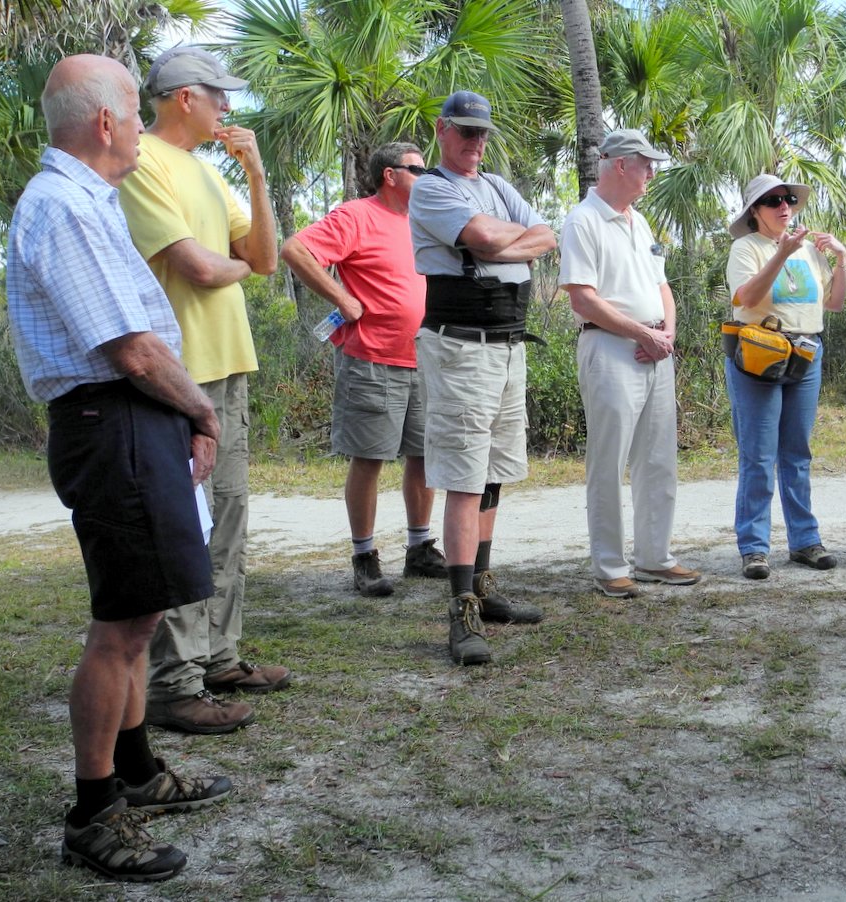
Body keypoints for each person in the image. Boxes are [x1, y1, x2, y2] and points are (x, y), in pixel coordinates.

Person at [6, 54, 233, 881]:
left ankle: (136, 772)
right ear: (106, 123)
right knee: (120, 626)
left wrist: (178, 416)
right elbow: (131, 347)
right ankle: (92, 812)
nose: (142, 128)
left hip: (130, 420)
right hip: (112, 422)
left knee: (138, 616)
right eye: (137, 114)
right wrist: (199, 409)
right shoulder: (63, 206)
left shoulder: (82, 202)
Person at [118, 46, 289, 734]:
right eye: (217, 93)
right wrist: (234, 264)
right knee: (185, 527)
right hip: (178, 375)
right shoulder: (141, 164)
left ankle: (220, 656)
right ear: (183, 96)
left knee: (230, 518)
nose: (228, 105)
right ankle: (175, 682)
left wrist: (253, 173)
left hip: (229, 367)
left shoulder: (211, 173)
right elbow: (198, 269)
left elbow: (265, 259)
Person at [408, 90, 554, 665]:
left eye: (483, 133)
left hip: (509, 345)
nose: (476, 143)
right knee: (465, 476)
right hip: (461, 348)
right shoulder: (431, 187)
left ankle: (484, 589)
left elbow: (547, 235)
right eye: (466, 132)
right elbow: (495, 241)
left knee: (493, 470)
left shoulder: (495, 187)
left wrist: (507, 239)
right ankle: (460, 609)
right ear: (442, 131)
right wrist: (507, 241)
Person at [280, 143, 447, 595]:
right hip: (372, 359)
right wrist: (341, 298)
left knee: (424, 456)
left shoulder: (425, 220)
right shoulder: (356, 216)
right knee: (370, 458)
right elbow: (295, 249)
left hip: (425, 359)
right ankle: (364, 556)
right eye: (418, 169)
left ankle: (419, 549)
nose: (426, 175)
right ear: (390, 175)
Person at [559, 129, 701, 598]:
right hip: (610, 349)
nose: (652, 173)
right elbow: (583, 299)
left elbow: (662, 287)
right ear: (620, 164)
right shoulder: (582, 221)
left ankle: (655, 557)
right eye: (646, 164)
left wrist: (666, 334)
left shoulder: (638, 222)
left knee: (658, 458)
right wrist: (643, 333)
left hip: (654, 348)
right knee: (609, 459)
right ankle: (609, 566)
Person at [724, 174, 846, 579]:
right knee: (758, 456)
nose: (784, 206)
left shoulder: (811, 251)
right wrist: (781, 253)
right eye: (773, 200)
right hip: (760, 356)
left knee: (797, 454)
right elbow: (747, 299)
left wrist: (841, 260)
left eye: (789, 199)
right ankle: (755, 548)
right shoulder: (745, 248)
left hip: (806, 355)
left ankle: (805, 541)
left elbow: (835, 304)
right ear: (754, 212)